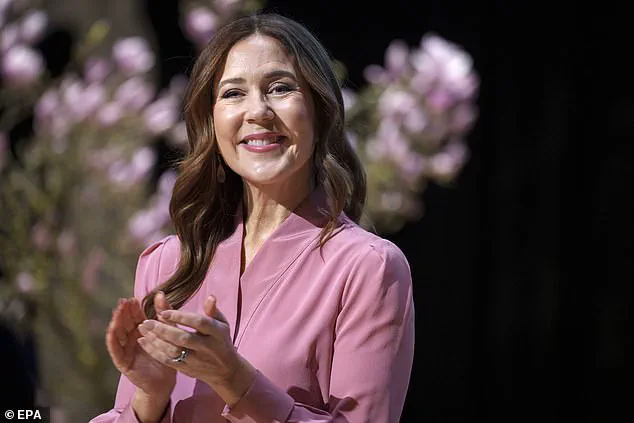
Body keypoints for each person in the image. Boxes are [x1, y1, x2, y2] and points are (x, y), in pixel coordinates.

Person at [90, 12, 414, 423]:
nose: (257, 111)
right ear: (211, 120)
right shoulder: (168, 262)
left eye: (280, 88)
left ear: (319, 110)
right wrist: (150, 398)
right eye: (233, 93)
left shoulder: (369, 267)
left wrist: (235, 379)